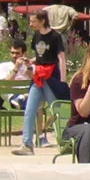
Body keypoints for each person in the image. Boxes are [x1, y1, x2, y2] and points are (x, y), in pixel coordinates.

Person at [21, 13, 71, 152]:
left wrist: (62, 79)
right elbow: (39, 57)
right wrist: (30, 61)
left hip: (51, 75)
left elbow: (61, 57)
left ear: (42, 21)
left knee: (57, 109)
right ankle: (27, 144)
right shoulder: (36, 36)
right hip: (39, 76)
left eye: (33, 21)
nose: (31, 24)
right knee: (30, 110)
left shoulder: (55, 36)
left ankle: (66, 140)